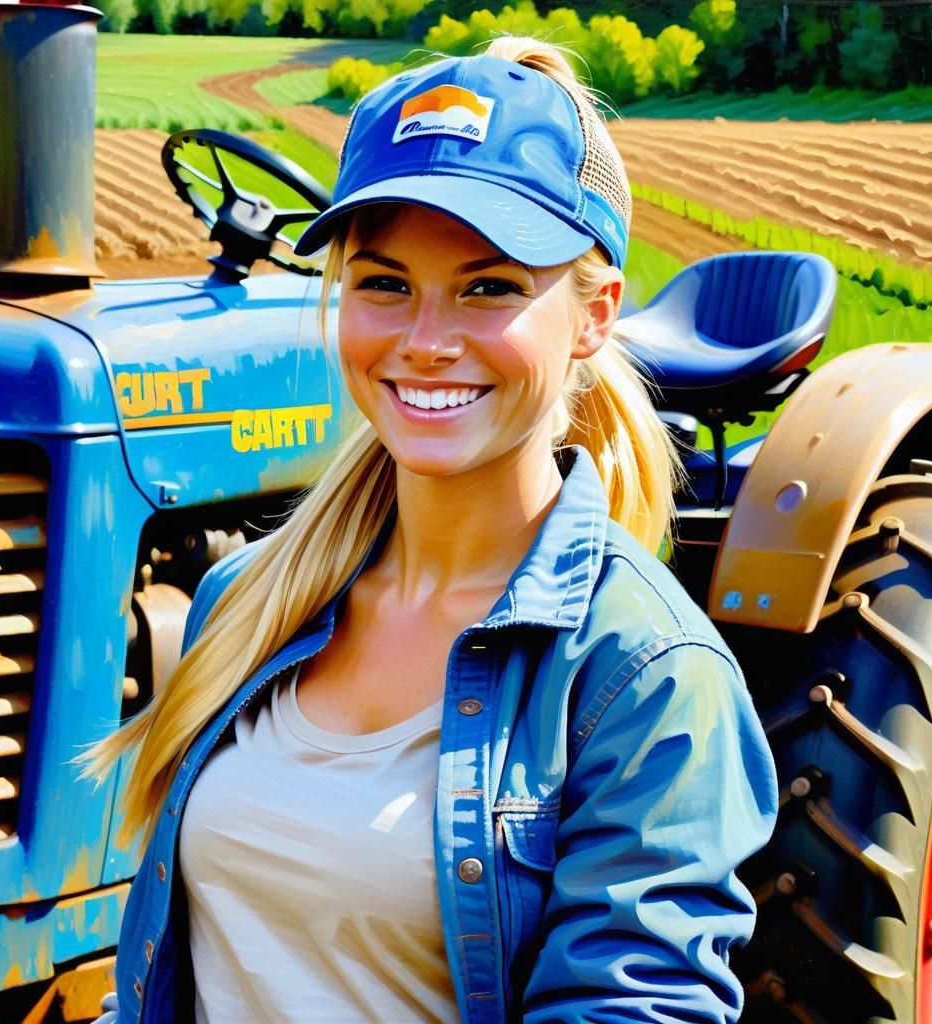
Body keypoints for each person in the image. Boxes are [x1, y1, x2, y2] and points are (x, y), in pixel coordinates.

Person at [86, 35, 778, 1024]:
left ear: (593, 316)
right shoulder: (245, 605)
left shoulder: (645, 677)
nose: (424, 341)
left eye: (488, 287)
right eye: (383, 283)